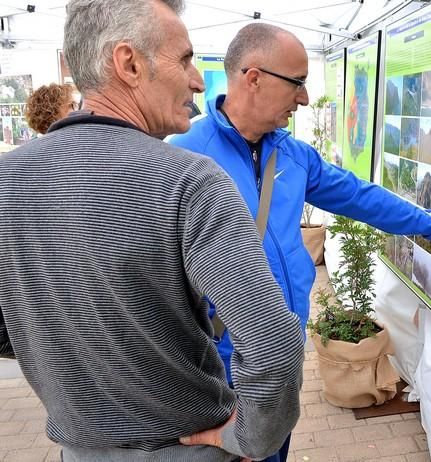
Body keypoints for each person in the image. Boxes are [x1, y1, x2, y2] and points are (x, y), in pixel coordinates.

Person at [169, 23, 431, 462]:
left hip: (281, 356)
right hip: (218, 367)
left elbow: (364, 199)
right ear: (254, 77)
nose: (304, 98)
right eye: (298, 83)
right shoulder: (182, 156)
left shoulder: (293, 155)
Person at [0, 2, 304, 461]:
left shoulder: (7, 181)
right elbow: (274, 350)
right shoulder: (189, 179)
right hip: (191, 448)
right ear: (129, 64)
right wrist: (251, 439)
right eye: (184, 59)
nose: (199, 80)